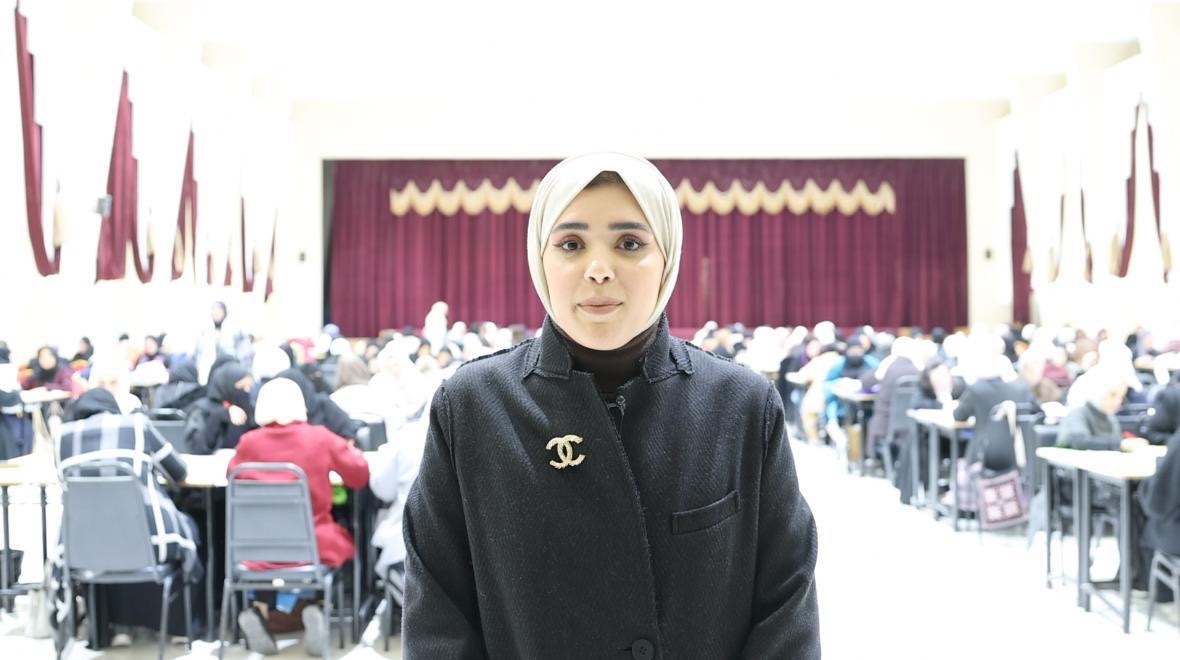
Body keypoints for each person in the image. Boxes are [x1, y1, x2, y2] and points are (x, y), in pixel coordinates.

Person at [402, 153, 820, 658]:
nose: (599, 270)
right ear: (540, 258)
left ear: (668, 256)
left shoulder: (741, 406)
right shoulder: (472, 408)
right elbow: (438, 623)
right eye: (571, 245)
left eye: (629, 243)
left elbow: (785, 609)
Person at [228, 377, 370, 656]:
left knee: (271, 554)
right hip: (312, 545)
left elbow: (231, 476)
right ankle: (316, 606)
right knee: (340, 539)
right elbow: (359, 475)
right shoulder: (320, 437)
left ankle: (260, 610)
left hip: (256, 548)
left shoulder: (248, 443)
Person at [1057, 366, 1149, 452]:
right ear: (1097, 392)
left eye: (1121, 397)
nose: (1118, 401)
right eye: (1113, 395)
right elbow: (1080, 442)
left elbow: (1114, 441)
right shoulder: (1077, 413)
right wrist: (1120, 444)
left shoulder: (1110, 418)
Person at [183, 362, 254, 454]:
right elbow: (196, 445)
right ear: (227, 385)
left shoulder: (248, 408)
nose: (247, 390)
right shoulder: (202, 409)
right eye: (242, 386)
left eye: (249, 387)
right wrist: (220, 415)